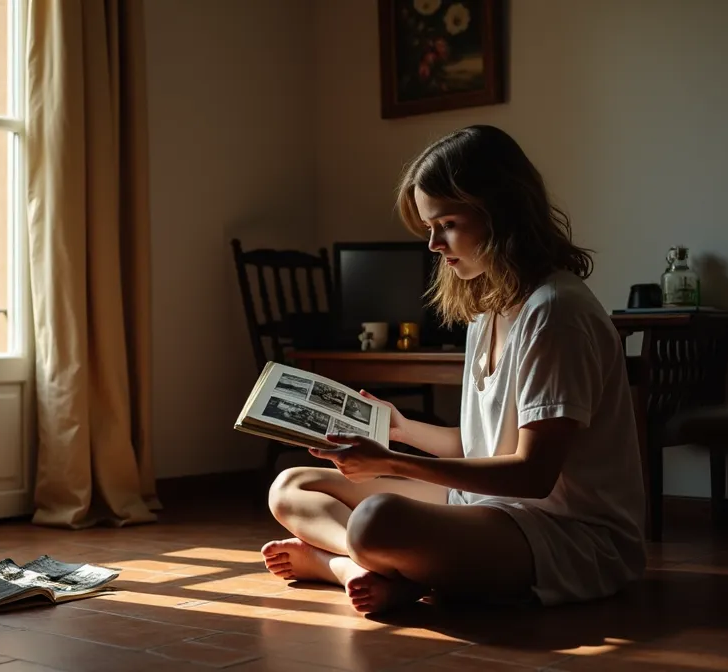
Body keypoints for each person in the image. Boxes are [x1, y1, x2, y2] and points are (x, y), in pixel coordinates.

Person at [260, 125, 646, 614]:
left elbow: (533, 475)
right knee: (291, 486)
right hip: (486, 511)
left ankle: (341, 563)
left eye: (446, 224)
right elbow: (483, 447)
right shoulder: (489, 309)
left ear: (499, 211)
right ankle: (359, 568)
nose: (434, 245)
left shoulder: (556, 313)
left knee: (378, 518)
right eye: (428, 228)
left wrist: (392, 462)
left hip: (567, 538)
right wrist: (399, 427)